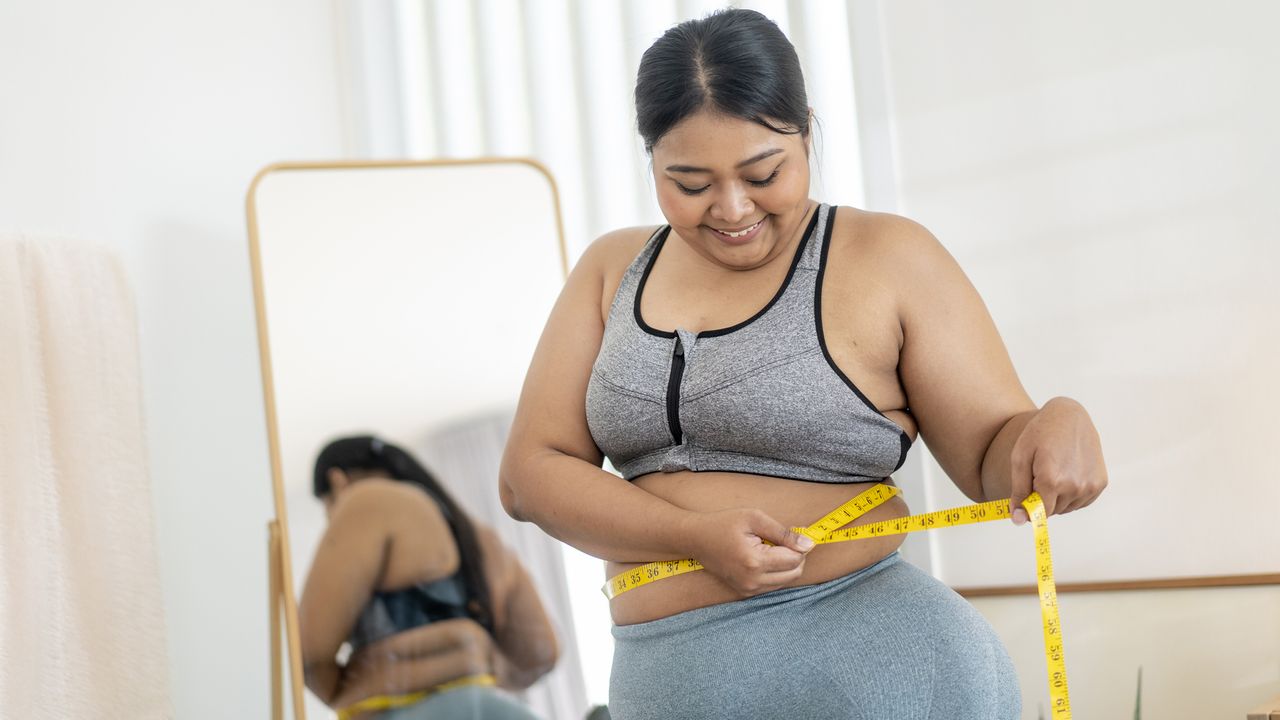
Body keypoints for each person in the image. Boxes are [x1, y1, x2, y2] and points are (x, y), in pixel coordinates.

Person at [498, 8, 1107, 720]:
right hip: (666, 684)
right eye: (690, 184)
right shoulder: (612, 270)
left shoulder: (888, 257)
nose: (731, 208)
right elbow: (528, 477)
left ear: (807, 131)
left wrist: (1060, 421)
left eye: (763, 173)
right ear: (651, 161)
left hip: (884, 677)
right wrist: (691, 538)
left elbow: (992, 458)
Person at [300, 435, 558, 719]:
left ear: (337, 481)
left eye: (328, 507)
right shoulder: (480, 537)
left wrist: (348, 692)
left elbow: (309, 657)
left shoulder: (366, 501)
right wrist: (470, 661)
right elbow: (542, 654)